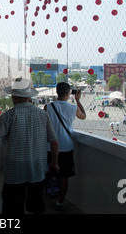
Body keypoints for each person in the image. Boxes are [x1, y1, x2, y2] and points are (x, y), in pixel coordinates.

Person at [0, 78, 59, 214]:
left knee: (12, 207)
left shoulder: (8, 115)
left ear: (14, 96)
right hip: (37, 167)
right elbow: (54, 142)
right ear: (29, 97)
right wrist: (54, 163)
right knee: (36, 204)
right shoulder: (43, 115)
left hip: (14, 168)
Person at [44, 82, 86, 212]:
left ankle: (49, 195)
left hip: (50, 146)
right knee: (64, 177)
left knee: (49, 173)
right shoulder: (72, 108)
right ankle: (60, 202)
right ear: (68, 94)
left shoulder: (48, 107)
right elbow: (83, 116)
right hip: (66, 147)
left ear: (57, 92)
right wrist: (77, 100)